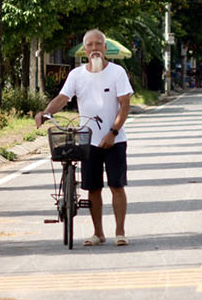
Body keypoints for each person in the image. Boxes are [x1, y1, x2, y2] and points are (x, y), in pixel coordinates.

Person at [35, 29, 133, 246]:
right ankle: (98, 233)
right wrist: (46, 113)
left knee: (117, 186)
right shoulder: (76, 75)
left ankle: (120, 232)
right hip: (87, 140)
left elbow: (125, 105)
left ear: (105, 48)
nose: (94, 49)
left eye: (99, 44)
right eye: (90, 45)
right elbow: (63, 98)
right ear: (84, 49)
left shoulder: (117, 73)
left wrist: (113, 132)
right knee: (93, 188)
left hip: (114, 140)